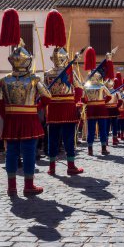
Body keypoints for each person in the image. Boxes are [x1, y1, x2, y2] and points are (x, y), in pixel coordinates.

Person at [0, 8, 51, 196]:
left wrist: (10, 114)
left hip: (12, 118)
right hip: (29, 118)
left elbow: (0, 103)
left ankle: (12, 186)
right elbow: (47, 97)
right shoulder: (34, 79)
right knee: (28, 151)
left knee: (11, 151)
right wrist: (36, 108)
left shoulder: (3, 80)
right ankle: (28, 186)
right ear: (28, 62)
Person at [43, 10, 84, 176]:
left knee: (52, 138)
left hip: (52, 109)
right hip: (67, 108)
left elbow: (45, 93)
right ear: (65, 58)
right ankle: (70, 166)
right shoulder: (69, 72)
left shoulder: (47, 74)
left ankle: (52, 168)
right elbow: (79, 88)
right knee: (68, 138)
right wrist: (76, 102)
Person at [83, 47, 112, 156]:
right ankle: (103, 148)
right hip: (101, 108)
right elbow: (109, 96)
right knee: (103, 130)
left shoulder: (86, 86)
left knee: (91, 130)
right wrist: (103, 101)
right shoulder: (101, 85)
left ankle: (90, 149)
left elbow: (83, 99)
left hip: (91, 109)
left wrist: (89, 102)